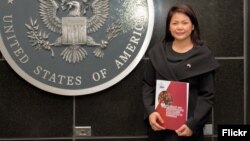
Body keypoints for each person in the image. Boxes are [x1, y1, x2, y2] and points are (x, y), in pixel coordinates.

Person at [142, 3, 220, 141]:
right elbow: (148, 85)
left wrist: (193, 124)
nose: (179, 27)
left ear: (193, 26)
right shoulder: (157, 53)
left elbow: (207, 95)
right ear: (169, 27)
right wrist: (151, 113)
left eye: (185, 23)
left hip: (188, 129)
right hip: (160, 127)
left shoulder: (203, 56)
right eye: (175, 23)